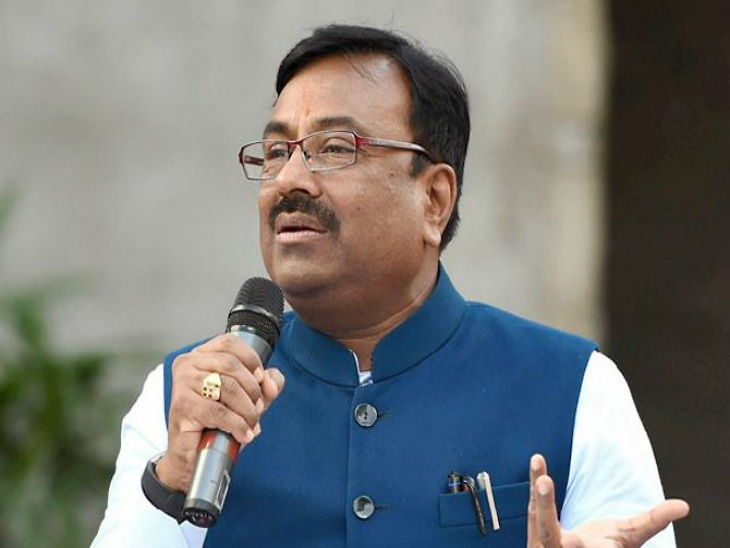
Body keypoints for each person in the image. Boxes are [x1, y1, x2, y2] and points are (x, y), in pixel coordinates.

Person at [92, 24, 688, 547]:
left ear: (434, 199)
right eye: (275, 152)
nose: (290, 180)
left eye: (334, 148)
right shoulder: (184, 399)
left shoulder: (574, 387)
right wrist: (170, 479)